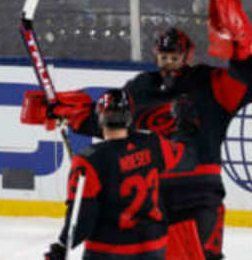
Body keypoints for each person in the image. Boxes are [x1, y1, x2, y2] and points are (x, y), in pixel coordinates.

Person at [44, 0, 252, 259]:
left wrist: (245, 51)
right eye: (164, 59)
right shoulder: (141, 86)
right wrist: (71, 115)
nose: (169, 66)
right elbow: (110, 121)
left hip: (198, 192)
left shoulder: (210, 81)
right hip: (154, 197)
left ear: (188, 57)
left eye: (174, 59)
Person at [43, 89, 189, 260]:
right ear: (129, 118)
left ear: (99, 119)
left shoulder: (88, 160)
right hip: (153, 247)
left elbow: (82, 218)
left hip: (107, 250)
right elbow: (181, 153)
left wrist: (62, 246)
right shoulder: (155, 144)